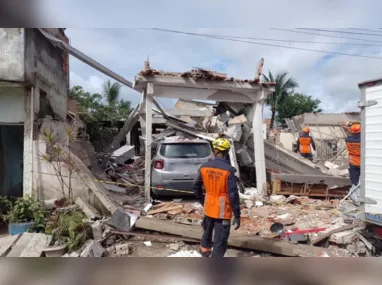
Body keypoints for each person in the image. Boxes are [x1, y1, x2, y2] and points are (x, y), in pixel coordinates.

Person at [193, 137, 241, 257]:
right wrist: (237, 214)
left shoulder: (204, 167)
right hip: (222, 210)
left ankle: (204, 252)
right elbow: (233, 194)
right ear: (227, 151)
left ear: (215, 150)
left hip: (209, 207)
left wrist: (203, 200)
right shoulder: (229, 170)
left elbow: (195, 186)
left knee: (207, 232)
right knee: (220, 240)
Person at [345, 123, 361, 191]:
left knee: (354, 181)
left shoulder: (347, 140)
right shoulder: (363, 140)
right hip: (361, 162)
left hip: (352, 162)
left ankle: (354, 195)